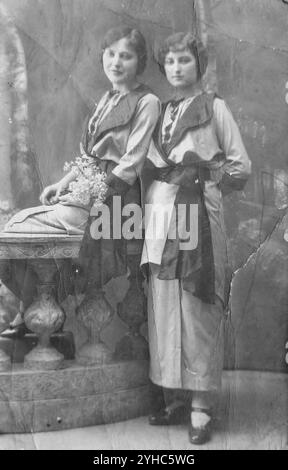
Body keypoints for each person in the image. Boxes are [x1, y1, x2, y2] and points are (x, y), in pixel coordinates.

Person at [1, 25, 160, 337]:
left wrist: (97, 194)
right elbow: (88, 156)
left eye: (125, 56)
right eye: (111, 54)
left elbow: (132, 161)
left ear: (139, 61)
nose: (116, 62)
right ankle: (31, 310)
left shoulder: (147, 101)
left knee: (18, 227)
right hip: (88, 189)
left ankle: (29, 313)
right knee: (14, 227)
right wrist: (63, 184)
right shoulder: (106, 100)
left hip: (117, 198)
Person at [141, 32, 251, 444]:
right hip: (160, 214)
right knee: (165, 304)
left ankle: (202, 405)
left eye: (183, 60)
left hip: (198, 213)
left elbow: (240, 167)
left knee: (198, 305)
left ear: (198, 64)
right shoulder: (160, 110)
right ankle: (175, 395)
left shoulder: (214, 107)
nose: (175, 68)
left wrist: (203, 176)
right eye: (169, 61)